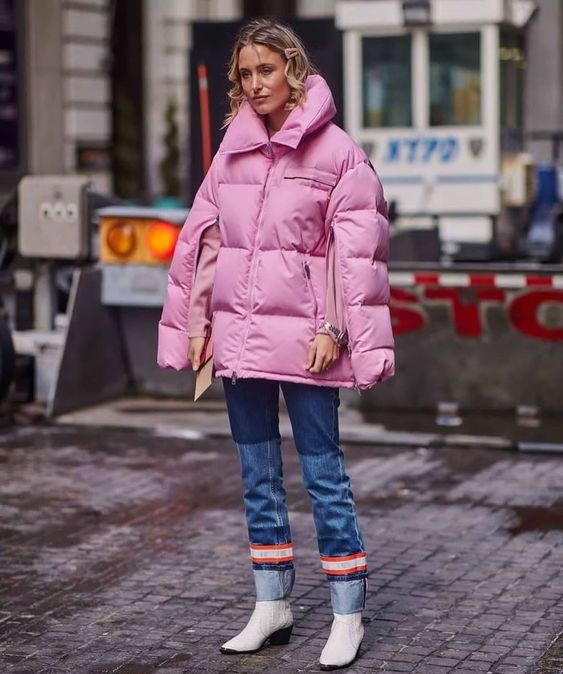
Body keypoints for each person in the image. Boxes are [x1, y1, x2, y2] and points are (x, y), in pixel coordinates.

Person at [157, 18, 395, 671]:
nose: (254, 84)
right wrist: (197, 327)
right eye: (244, 74)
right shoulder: (229, 153)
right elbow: (202, 246)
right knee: (257, 477)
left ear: (291, 68)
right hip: (240, 339)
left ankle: (347, 613)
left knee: (323, 476)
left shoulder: (338, 154)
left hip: (311, 340)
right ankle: (272, 605)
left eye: (265, 70)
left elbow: (359, 254)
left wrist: (335, 328)